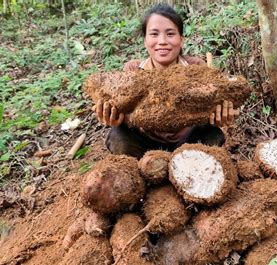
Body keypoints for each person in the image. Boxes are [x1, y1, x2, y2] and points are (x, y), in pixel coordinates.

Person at [94, 4, 238, 158]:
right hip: (145, 144)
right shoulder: (133, 70)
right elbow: (124, 110)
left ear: (181, 39)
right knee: (118, 136)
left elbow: (209, 107)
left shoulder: (195, 67)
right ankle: (142, 170)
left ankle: (187, 167)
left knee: (212, 135)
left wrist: (218, 115)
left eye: (170, 34)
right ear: (145, 40)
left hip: (188, 141)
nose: (162, 41)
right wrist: (114, 117)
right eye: (154, 34)